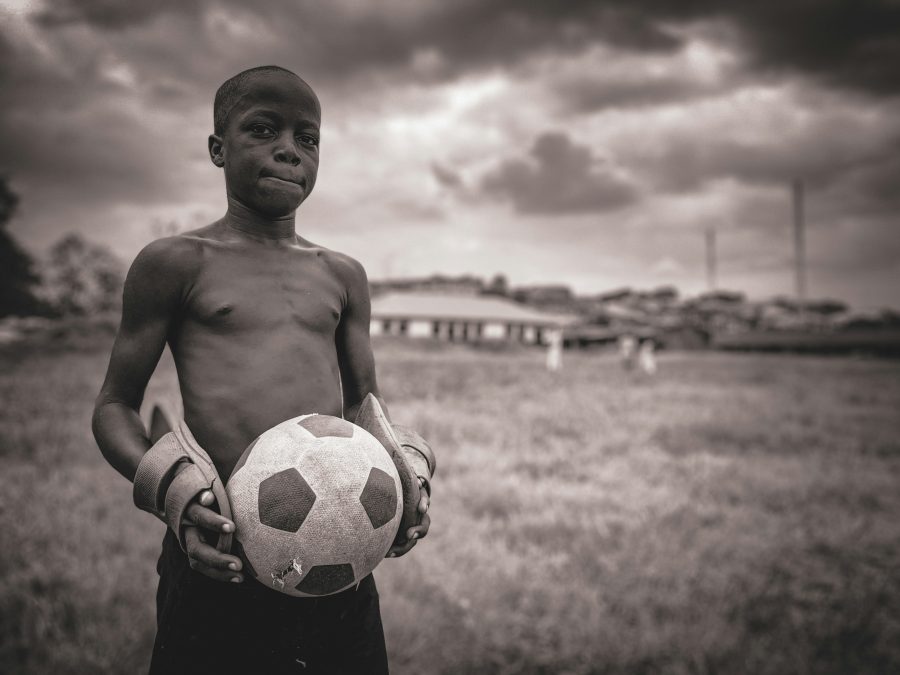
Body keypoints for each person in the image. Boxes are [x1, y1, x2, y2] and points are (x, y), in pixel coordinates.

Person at [92, 65, 434, 675]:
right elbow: (115, 407)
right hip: (215, 559)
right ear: (218, 149)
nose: (288, 149)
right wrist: (173, 492)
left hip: (338, 563)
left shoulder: (342, 274)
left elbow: (367, 409)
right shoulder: (174, 262)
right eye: (264, 129)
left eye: (308, 138)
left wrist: (404, 476)